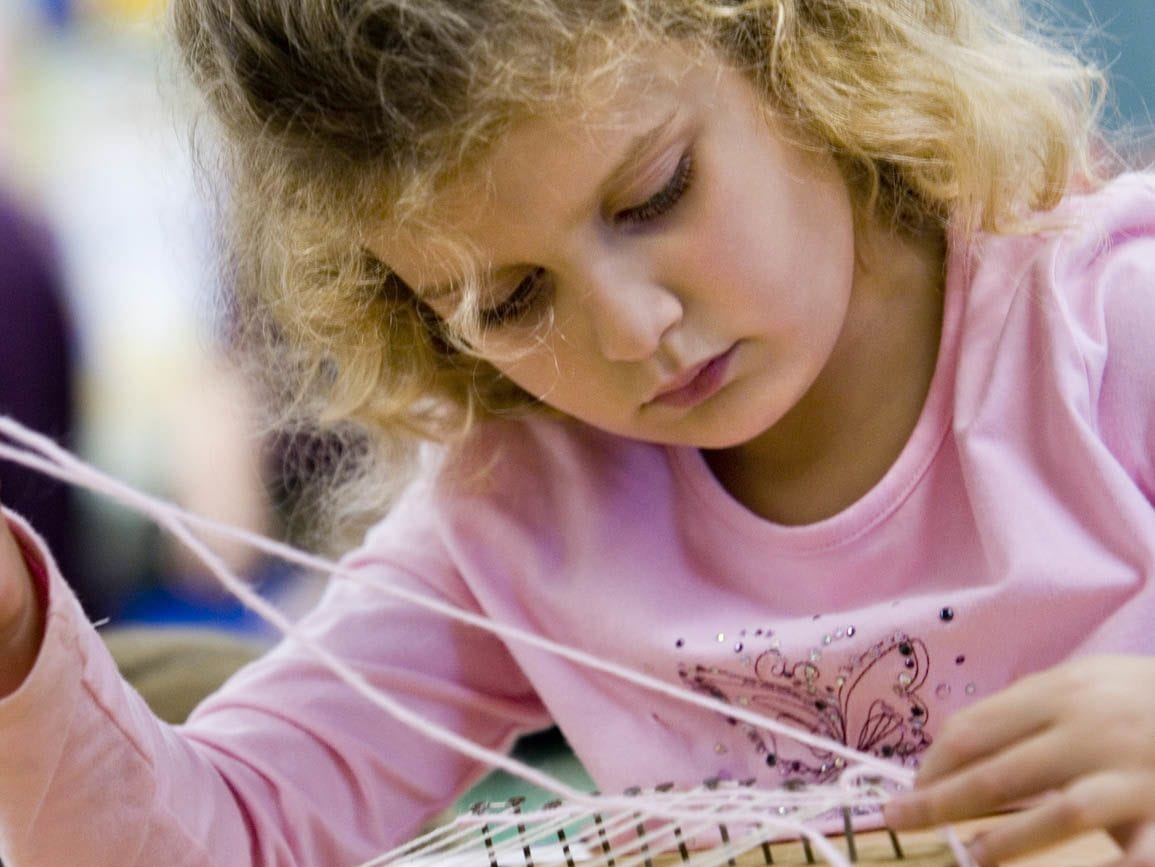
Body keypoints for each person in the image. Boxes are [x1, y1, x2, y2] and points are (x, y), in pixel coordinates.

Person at [1, 1, 1154, 864]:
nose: (634, 329)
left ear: (791, 45)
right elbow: (227, 831)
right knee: (162, 675)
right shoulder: (527, 508)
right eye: (511, 301)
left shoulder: (1110, 329)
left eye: (656, 195)